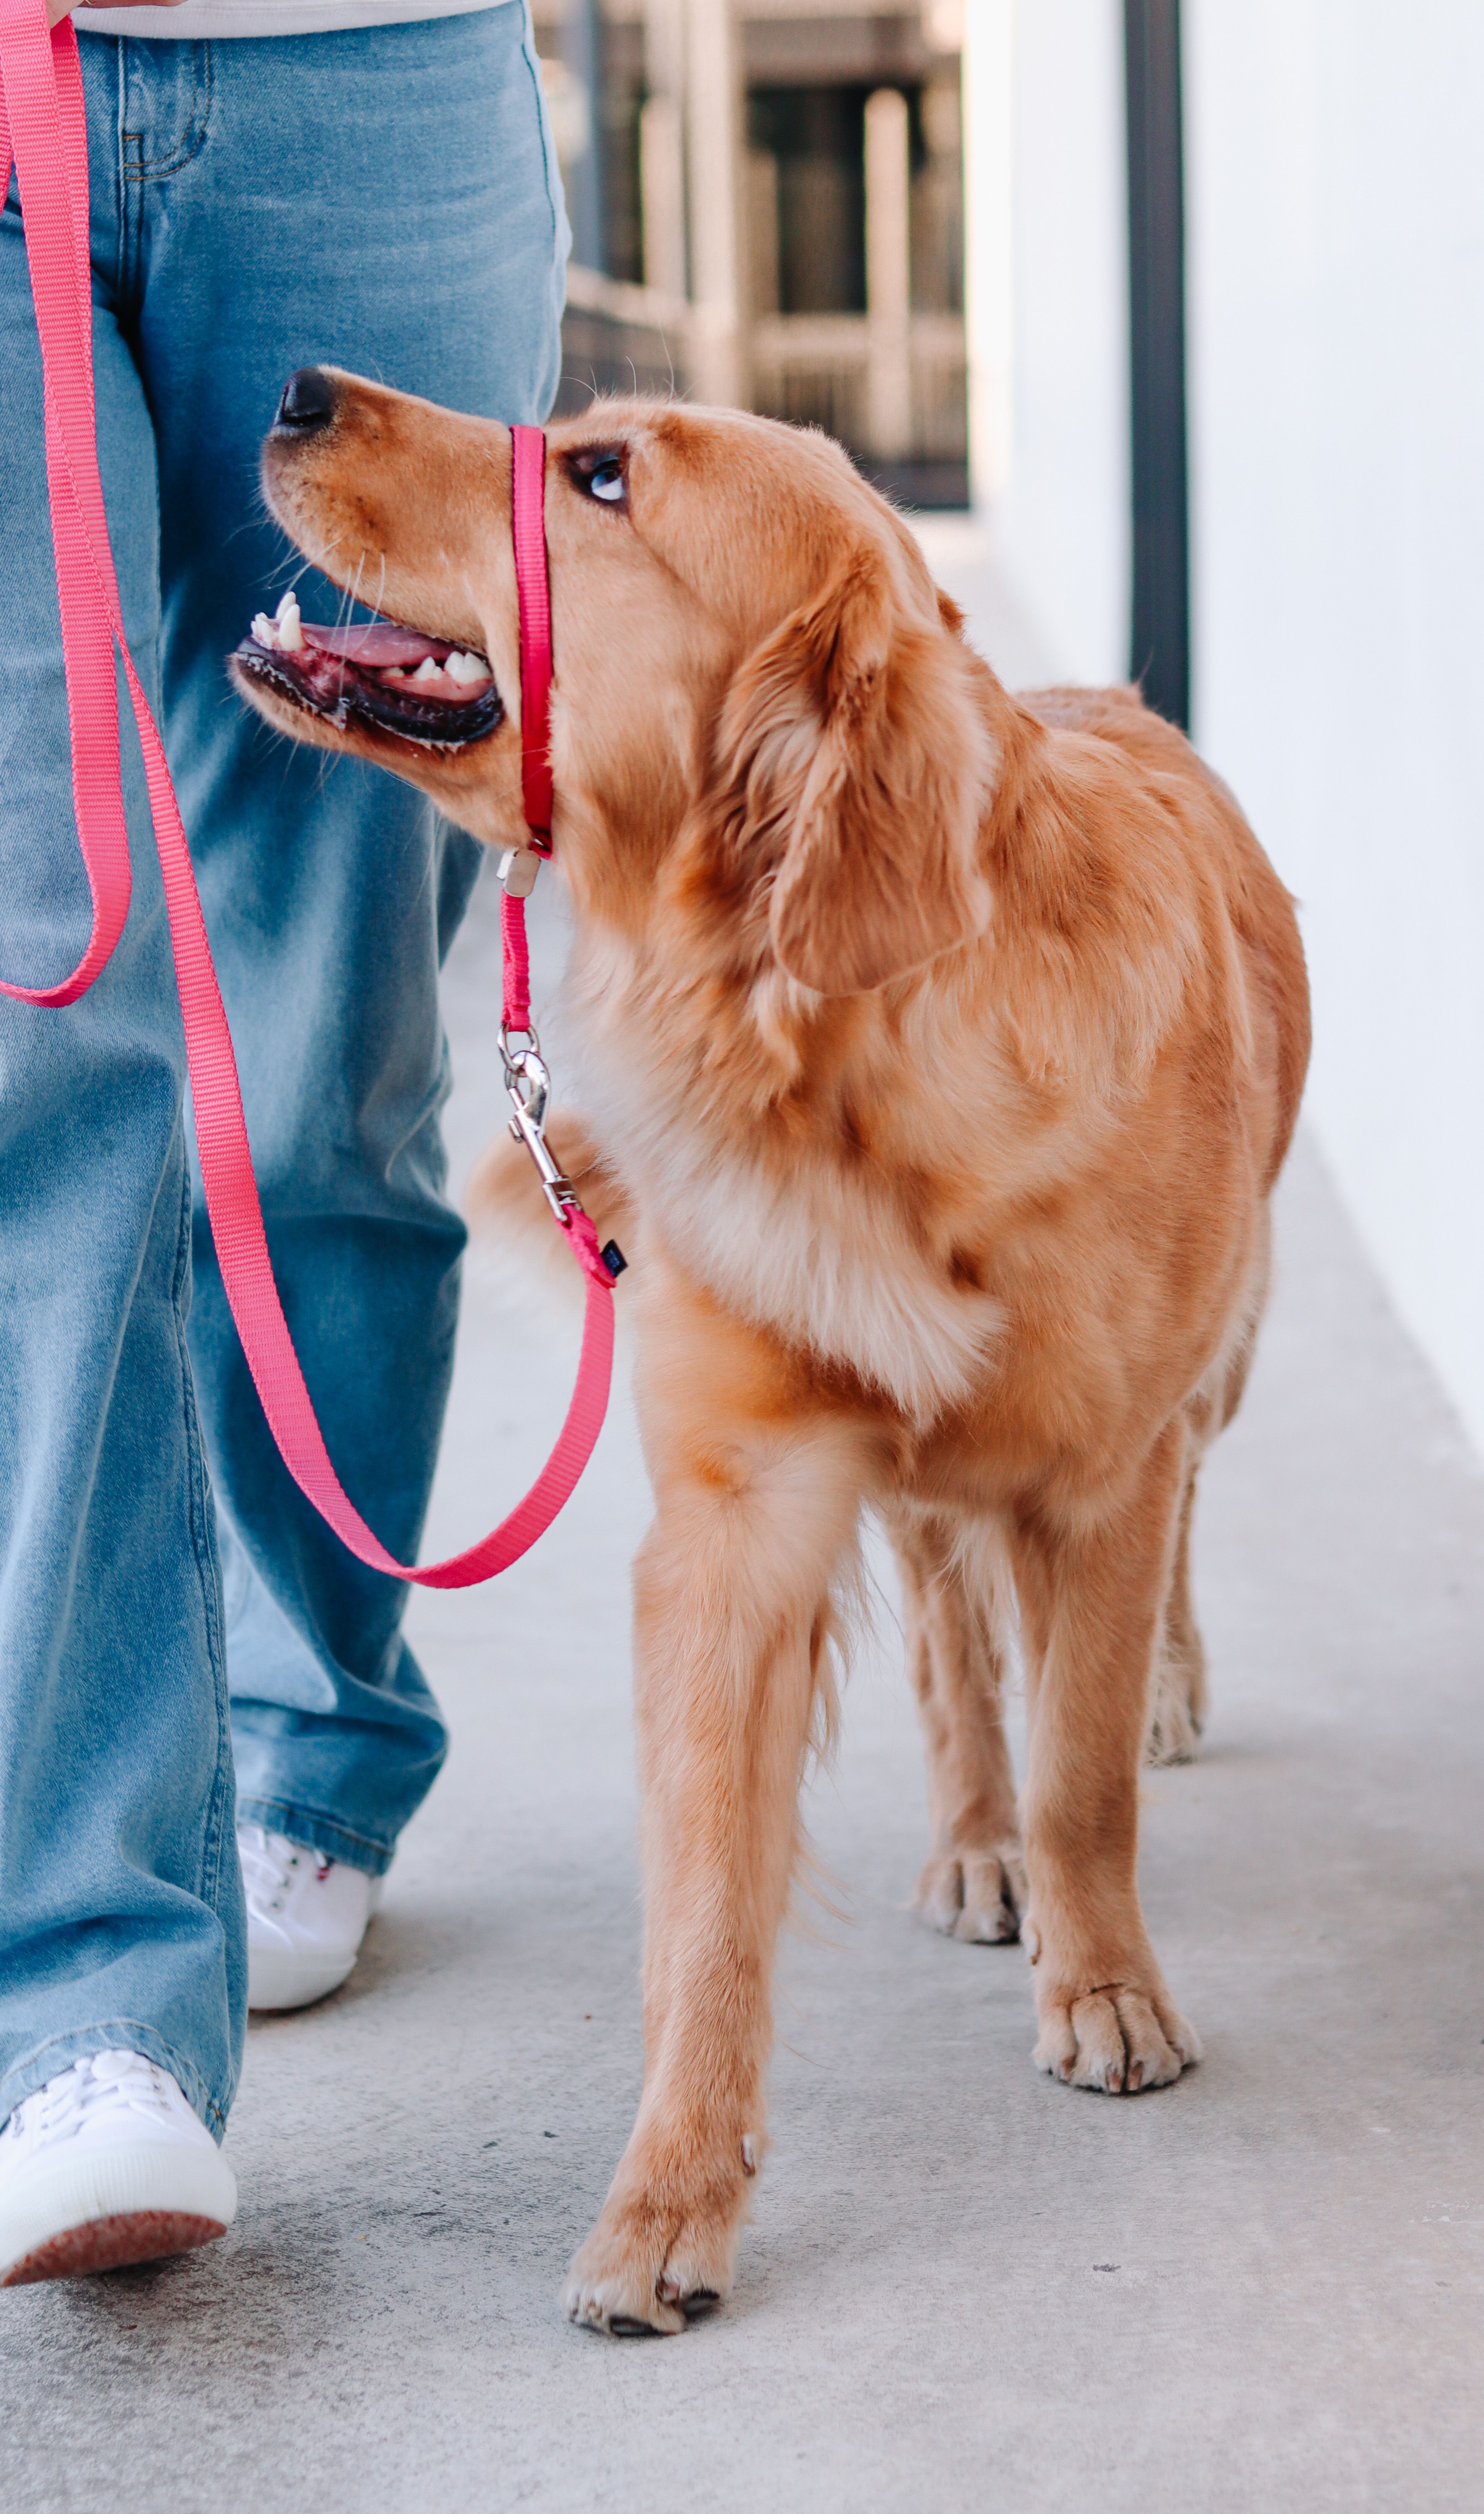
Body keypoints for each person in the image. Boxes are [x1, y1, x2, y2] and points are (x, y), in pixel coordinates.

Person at [0, 0, 564, 2285]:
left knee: (330, 1050)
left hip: (369, 86)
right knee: (51, 1011)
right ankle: (88, 1996)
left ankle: (308, 1740)